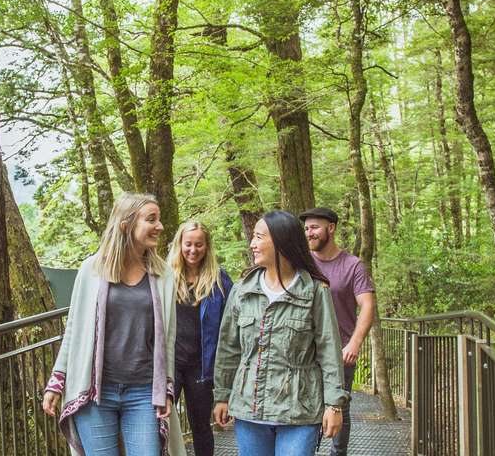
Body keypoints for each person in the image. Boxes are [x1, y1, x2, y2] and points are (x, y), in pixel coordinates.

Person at [41, 194, 185, 456]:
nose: (160, 226)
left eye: (159, 219)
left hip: (144, 391)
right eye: (151, 219)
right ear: (125, 225)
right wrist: (57, 381)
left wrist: (166, 387)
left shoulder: (163, 275)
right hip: (95, 392)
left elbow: (168, 339)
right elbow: (74, 330)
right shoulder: (91, 270)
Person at [212, 210, 347, 456]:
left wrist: (334, 405)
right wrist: (222, 396)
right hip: (249, 409)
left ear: (281, 241)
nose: (252, 244)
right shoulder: (242, 291)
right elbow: (228, 348)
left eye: (258, 237)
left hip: (299, 410)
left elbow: (329, 350)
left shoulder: (315, 291)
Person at [300, 207, 377, 456]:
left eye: (314, 227)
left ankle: (338, 452)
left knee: (339, 406)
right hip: (306, 350)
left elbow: (367, 305)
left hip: (340, 350)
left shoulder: (353, 265)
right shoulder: (302, 263)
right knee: (306, 406)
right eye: (306, 228)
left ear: (330, 228)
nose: (309, 233)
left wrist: (354, 343)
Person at [166, 221, 232, 456]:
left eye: (199, 244)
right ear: (180, 245)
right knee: (160, 422)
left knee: (201, 426)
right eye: (188, 244)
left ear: (207, 246)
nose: (193, 250)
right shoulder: (165, 277)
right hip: (171, 364)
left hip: (202, 367)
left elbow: (231, 324)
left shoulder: (219, 280)